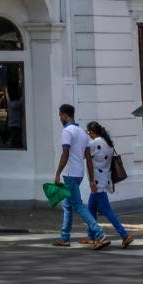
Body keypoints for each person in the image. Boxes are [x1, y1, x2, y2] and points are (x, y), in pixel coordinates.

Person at [49, 103, 106, 248]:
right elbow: (88, 159)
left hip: (69, 173)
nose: (59, 118)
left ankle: (99, 233)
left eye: (60, 115)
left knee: (78, 205)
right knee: (67, 205)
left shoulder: (67, 131)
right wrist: (91, 179)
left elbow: (65, 153)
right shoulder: (82, 132)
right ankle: (65, 237)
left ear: (65, 115)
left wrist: (57, 173)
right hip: (79, 173)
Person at [84, 121, 132, 248]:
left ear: (91, 132)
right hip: (105, 178)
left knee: (107, 210)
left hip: (96, 181)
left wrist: (83, 139)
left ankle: (124, 235)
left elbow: (85, 156)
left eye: (88, 132)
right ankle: (91, 236)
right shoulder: (108, 143)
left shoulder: (94, 144)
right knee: (91, 208)